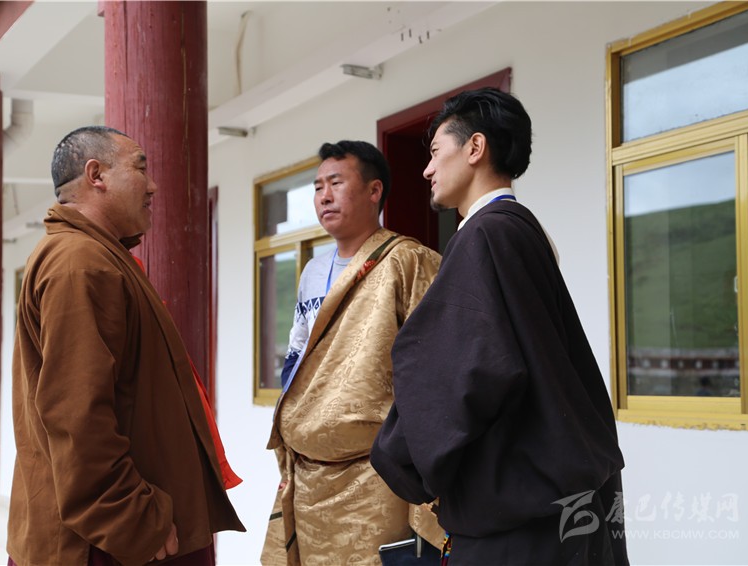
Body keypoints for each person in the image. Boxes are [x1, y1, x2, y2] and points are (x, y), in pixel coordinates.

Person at [370, 88, 629, 565]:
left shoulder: (485, 234)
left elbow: (460, 368)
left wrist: (399, 456)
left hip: (517, 516)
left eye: (435, 152)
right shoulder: (525, 229)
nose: (426, 169)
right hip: (563, 496)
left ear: (475, 147)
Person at [7, 126, 244, 566]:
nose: (152, 186)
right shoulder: (79, 262)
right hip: (109, 541)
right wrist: (131, 519)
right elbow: (76, 413)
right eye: (140, 168)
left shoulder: (100, 256)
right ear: (96, 175)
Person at [261, 141, 444, 565]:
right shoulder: (312, 271)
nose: (323, 196)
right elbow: (297, 357)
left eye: (336, 183)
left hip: (375, 473)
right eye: (317, 187)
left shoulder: (408, 261)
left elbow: (432, 369)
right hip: (308, 470)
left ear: (374, 190)